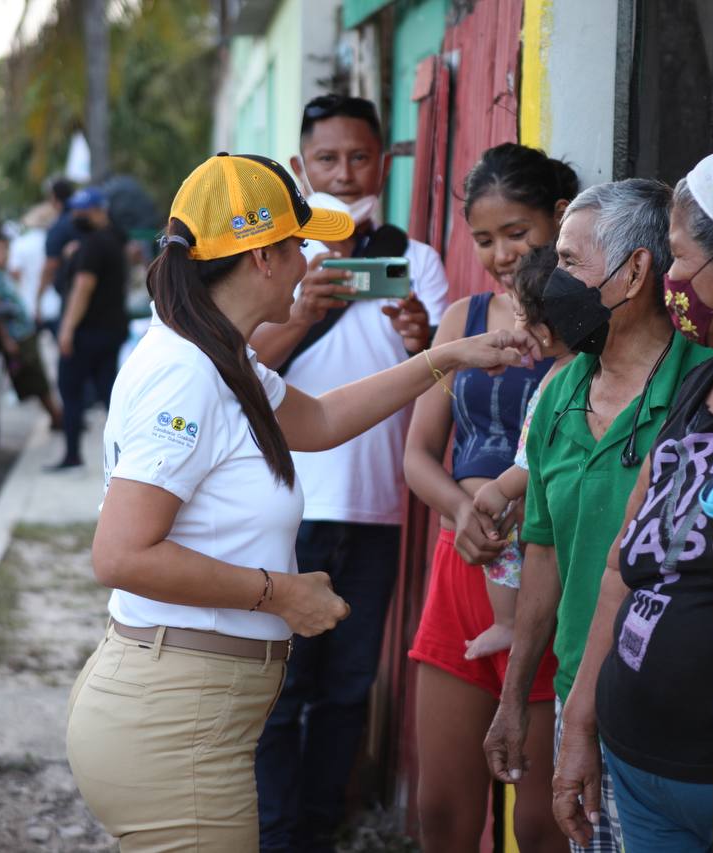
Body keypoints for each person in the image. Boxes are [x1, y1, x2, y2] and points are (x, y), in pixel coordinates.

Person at [64, 151, 541, 852]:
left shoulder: (220, 355)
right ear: (263, 257)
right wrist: (279, 593)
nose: (313, 257)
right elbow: (121, 552)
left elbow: (318, 420)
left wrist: (448, 357)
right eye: (301, 242)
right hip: (176, 718)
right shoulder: (188, 373)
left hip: (188, 709)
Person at [483, 178, 713, 853]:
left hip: (671, 716)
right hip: (573, 700)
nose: (551, 282)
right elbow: (545, 555)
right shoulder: (559, 391)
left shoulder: (708, 389)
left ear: (634, 271)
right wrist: (513, 697)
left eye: (569, 263)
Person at [249, 93, 450, 853]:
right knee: (280, 685)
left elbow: (440, 384)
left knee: (345, 689)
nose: (344, 171)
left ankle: (316, 829)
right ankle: (274, 832)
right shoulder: (273, 260)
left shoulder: (415, 259)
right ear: (302, 167)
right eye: (327, 159)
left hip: (376, 510)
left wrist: (420, 336)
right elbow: (235, 372)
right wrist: (300, 309)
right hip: (284, 508)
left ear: (382, 162)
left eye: (359, 157)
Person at [402, 142, 578, 852]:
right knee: (442, 810)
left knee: (540, 824)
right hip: (462, 568)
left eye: (517, 233)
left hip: (549, 577)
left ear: (559, 218)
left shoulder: (588, 323)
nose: (501, 254)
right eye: (484, 239)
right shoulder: (462, 319)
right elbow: (417, 453)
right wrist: (462, 512)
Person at [553, 150, 713, 853]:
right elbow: (619, 572)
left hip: (711, 768)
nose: (677, 276)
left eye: (685, 257)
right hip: (634, 758)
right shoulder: (698, 391)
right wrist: (582, 726)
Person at [467, 244, 571, 660]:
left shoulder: (563, 376)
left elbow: (538, 453)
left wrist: (500, 488)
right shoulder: (570, 368)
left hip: (536, 493)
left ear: (544, 332)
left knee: (508, 544)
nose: (515, 324)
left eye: (520, 316)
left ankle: (507, 623)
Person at [48, 187, 129, 470]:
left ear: (98, 211)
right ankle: (128, 453)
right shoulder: (114, 240)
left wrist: (67, 329)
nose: (76, 217)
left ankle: (72, 455)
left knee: (70, 392)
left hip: (87, 333)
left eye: (82, 212)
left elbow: (83, 287)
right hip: (110, 330)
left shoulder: (94, 244)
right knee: (109, 393)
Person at [0, 230, 62, 429]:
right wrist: (7, 340)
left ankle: (57, 417)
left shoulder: (0, 273)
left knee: (39, 380)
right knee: (36, 381)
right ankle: (57, 418)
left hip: (23, 332)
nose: (4, 254)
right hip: (17, 336)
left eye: (6, 249)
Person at [35, 176, 77, 335]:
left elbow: (50, 266)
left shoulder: (59, 227)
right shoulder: (83, 220)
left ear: (53, 198)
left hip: (72, 298)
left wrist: (38, 299)